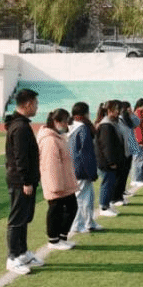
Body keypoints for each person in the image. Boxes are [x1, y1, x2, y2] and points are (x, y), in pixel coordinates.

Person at [4, 88, 41, 275]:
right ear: (28, 104)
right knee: (17, 218)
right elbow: (20, 157)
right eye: (35, 104)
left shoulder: (22, 125)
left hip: (26, 180)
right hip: (20, 181)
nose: (37, 107)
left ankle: (22, 252)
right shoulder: (20, 127)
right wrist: (26, 180)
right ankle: (12, 257)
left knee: (25, 217)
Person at [38, 108, 79, 251]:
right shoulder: (50, 140)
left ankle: (61, 237)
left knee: (70, 208)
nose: (67, 125)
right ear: (56, 121)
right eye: (64, 122)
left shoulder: (57, 137)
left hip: (64, 181)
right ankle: (54, 239)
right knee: (56, 210)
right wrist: (56, 186)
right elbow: (51, 165)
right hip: (57, 183)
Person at [67, 101, 101, 234]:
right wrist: (91, 172)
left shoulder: (72, 126)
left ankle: (88, 222)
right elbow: (85, 152)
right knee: (82, 198)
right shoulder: (83, 128)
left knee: (87, 197)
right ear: (85, 113)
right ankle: (78, 225)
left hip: (75, 167)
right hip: (81, 168)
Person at [94, 100, 124, 218]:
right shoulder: (106, 125)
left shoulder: (111, 123)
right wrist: (111, 161)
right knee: (107, 183)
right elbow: (107, 146)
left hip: (110, 161)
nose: (118, 113)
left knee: (110, 183)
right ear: (109, 111)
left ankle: (107, 204)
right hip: (106, 162)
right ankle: (103, 206)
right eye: (116, 110)